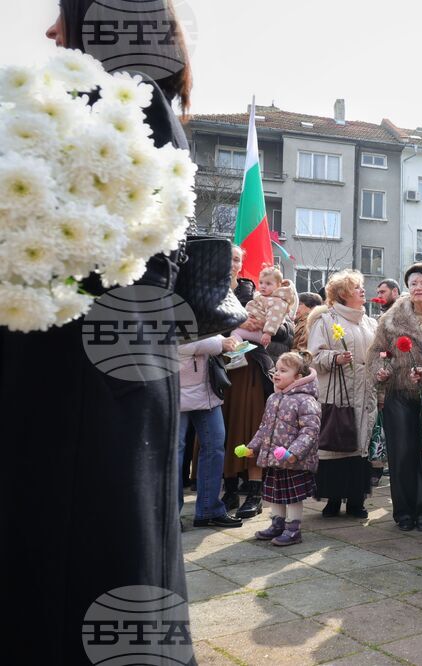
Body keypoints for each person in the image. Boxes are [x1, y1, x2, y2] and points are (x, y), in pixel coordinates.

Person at [0, 2, 193, 661]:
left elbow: (94, 260)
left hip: (77, 386)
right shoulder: (145, 107)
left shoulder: (114, 106)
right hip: (109, 380)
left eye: (64, 13)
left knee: (79, 565)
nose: (51, 31)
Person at [367, 263, 422, 531]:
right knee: (401, 453)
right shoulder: (392, 318)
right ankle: (403, 511)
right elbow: (377, 352)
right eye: (413, 283)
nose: (418, 288)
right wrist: (381, 370)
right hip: (399, 392)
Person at [219, 248, 293, 518]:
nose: (232, 263)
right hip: (219, 370)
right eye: (227, 258)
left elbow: (287, 331)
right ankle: (228, 491)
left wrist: (262, 326)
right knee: (224, 432)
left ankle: (254, 493)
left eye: (236, 258)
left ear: (242, 264)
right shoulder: (209, 291)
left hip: (251, 369)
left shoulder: (255, 291)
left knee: (251, 429)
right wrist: (234, 324)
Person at [308, 270, 377, 519]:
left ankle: (357, 500)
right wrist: (334, 358)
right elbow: (313, 357)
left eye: (361, 286)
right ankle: (333, 499)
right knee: (337, 444)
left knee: (360, 446)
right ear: (342, 294)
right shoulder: (326, 320)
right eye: (356, 287)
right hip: (338, 395)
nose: (362, 290)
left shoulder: (370, 322)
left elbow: (377, 355)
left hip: (365, 394)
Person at [247, 351, 322, 546]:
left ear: (298, 377)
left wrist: (294, 453)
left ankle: (293, 529)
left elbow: (310, 431)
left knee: (293, 497)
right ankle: (277, 524)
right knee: (275, 494)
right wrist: (253, 447)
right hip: (275, 459)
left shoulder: (306, 400)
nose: (277, 374)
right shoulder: (273, 398)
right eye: (276, 370)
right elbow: (265, 428)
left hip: (293, 461)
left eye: (283, 370)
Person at [178, 334, 242, 528]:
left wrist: (230, 339)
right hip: (175, 388)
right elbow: (176, 340)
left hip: (206, 389)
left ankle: (209, 510)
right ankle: (169, 515)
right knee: (175, 453)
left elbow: (212, 328)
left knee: (215, 446)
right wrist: (220, 343)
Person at [232, 266, 297, 349]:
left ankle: (239, 355)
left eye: (268, 284)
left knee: (236, 333)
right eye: (261, 282)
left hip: (261, 332)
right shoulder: (263, 297)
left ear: (278, 285)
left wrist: (268, 333)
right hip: (258, 330)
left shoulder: (277, 301)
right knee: (244, 341)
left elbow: (274, 317)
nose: (263, 286)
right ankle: (241, 354)